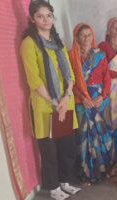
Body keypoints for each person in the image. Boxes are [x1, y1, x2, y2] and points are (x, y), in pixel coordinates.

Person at [20, 1, 81, 199]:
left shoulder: (57, 42)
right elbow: (34, 80)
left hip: (65, 102)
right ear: (32, 19)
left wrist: (66, 97)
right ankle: (53, 187)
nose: (46, 20)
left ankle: (64, 181)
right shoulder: (29, 44)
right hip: (46, 106)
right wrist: (56, 103)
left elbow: (70, 74)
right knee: (50, 150)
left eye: (49, 15)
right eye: (40, 16)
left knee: (67, 147)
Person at [69, 23, 113, 185]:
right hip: (82, 102)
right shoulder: (71, 57)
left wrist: (102, 96)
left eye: (89, 34)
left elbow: (107, 78)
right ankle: (87, 173)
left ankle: (103, 169)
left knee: (102, 134)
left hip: (99, 101)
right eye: (83, 35)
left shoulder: (100, 55)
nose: (87, 38)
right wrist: (83, 99)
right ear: (77, 38)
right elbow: (70, 83)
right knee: (84, 137)